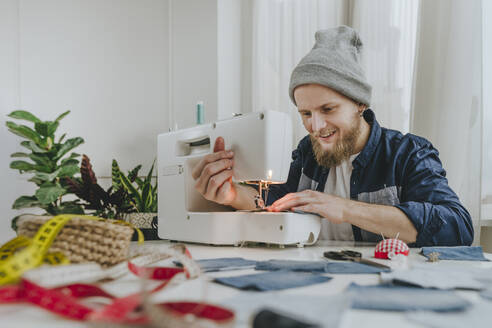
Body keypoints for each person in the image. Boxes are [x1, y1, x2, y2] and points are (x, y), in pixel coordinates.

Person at [191, 26, 473, 246]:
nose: (316, 126)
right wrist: (231, 194)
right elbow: (275, 198)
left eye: (328, 109)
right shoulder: (307, 152)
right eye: (305, 113)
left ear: (360, 104)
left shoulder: (408, 153)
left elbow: (457, 227)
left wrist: (346, 209)